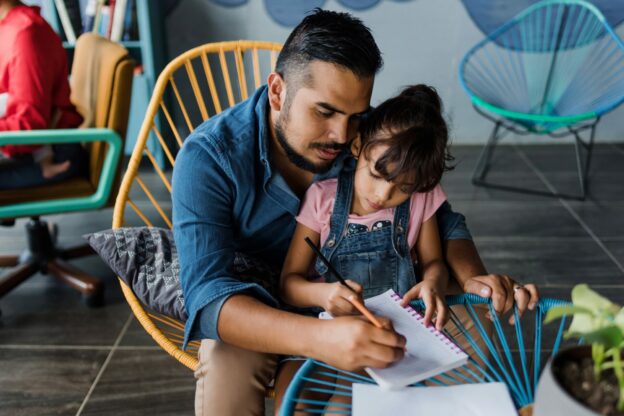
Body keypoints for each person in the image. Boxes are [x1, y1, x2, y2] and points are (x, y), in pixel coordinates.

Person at [172, 9, 539, 416]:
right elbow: (207, 299)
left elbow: (443, 219)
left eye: (355, 117)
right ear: (277, 92)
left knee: (472, 332)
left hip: (376, 299)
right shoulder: (209, 157)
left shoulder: (368, 143)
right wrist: (321, 338)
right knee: (227, 372)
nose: (342, 136)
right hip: (261, 301)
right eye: (324, 112)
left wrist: (474, 280)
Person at [276, 84, 454, 411]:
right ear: (358, 145)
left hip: (388, 342)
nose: (384, 195)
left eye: (404, 187)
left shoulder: (421, 199)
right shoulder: (323, 199)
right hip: (320, 331)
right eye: (376, 174)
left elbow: (435, 263)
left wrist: (433, 284)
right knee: (291, 405)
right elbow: (289, 284)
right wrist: (324, 295)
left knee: (345, 408)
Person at [0, 0, 86, 190]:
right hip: (24, 147)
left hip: (51, 154)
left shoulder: (25, 34)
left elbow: (30, 128)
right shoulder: (9, 28)